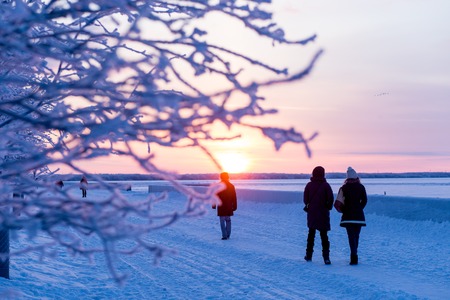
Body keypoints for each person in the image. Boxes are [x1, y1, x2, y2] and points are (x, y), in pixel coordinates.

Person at [335, 167, 367, 265]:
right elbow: (365, 200)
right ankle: (355, 254)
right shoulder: (361, 187)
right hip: (358, 217)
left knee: (351, 236)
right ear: (356, 177)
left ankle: (353, 255)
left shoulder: (343, 188)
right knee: (356, 236)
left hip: (348, 217)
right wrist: (359, 208)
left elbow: (337, 204)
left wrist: (344, 210)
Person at [303, 166, 334, 265]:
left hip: (312, 213)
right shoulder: (326, 185)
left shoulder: (309, 185)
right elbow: (331, 199)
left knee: (311, 235)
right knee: (324, 236)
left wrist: (310, 205)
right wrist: (327, 207)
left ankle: (308, 256)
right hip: (323, 214)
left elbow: (305, 200)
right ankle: (326, 258)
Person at [213, 172, 237, 240]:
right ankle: (228, 234)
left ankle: (224, 235)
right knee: (228, 220)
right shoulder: (231, 186)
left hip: (221, 206)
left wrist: (214, 204)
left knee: (222, 220)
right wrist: (234, 206)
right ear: (228, 177)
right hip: (229, 205)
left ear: (221, 177)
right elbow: (234, 197)